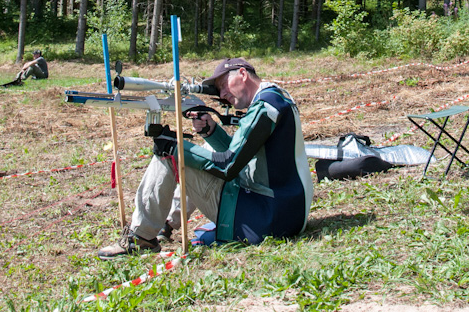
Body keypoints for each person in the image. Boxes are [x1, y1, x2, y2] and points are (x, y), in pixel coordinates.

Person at [97, 57, 314, 259]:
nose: (221, 94)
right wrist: (211, 132)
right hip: (287, 211)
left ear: (242, 73)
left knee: (168, 156)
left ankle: (141, 237)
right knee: (195, 154)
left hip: (268, 220)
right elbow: (245, 156)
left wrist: (175, 149)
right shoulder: (277, 98)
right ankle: (166, 225)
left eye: (223, 85)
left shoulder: (264, 108)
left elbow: (229, 165)